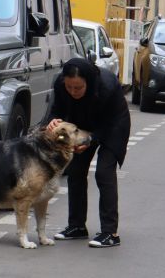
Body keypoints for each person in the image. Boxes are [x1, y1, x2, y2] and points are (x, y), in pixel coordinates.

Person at [44, 57, 131, 248]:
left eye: (78, 88)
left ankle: (110, 232)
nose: (73, 92)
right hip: (82, 124)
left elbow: (108, 125)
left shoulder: (107, 86)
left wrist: (91, 139)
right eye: (69, 87)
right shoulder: (61, 83)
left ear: (89, 83)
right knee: (75, 171)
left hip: (113, 126)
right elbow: (55, 110)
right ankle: (77, 226)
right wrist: (53, 121)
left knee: (104, 173)